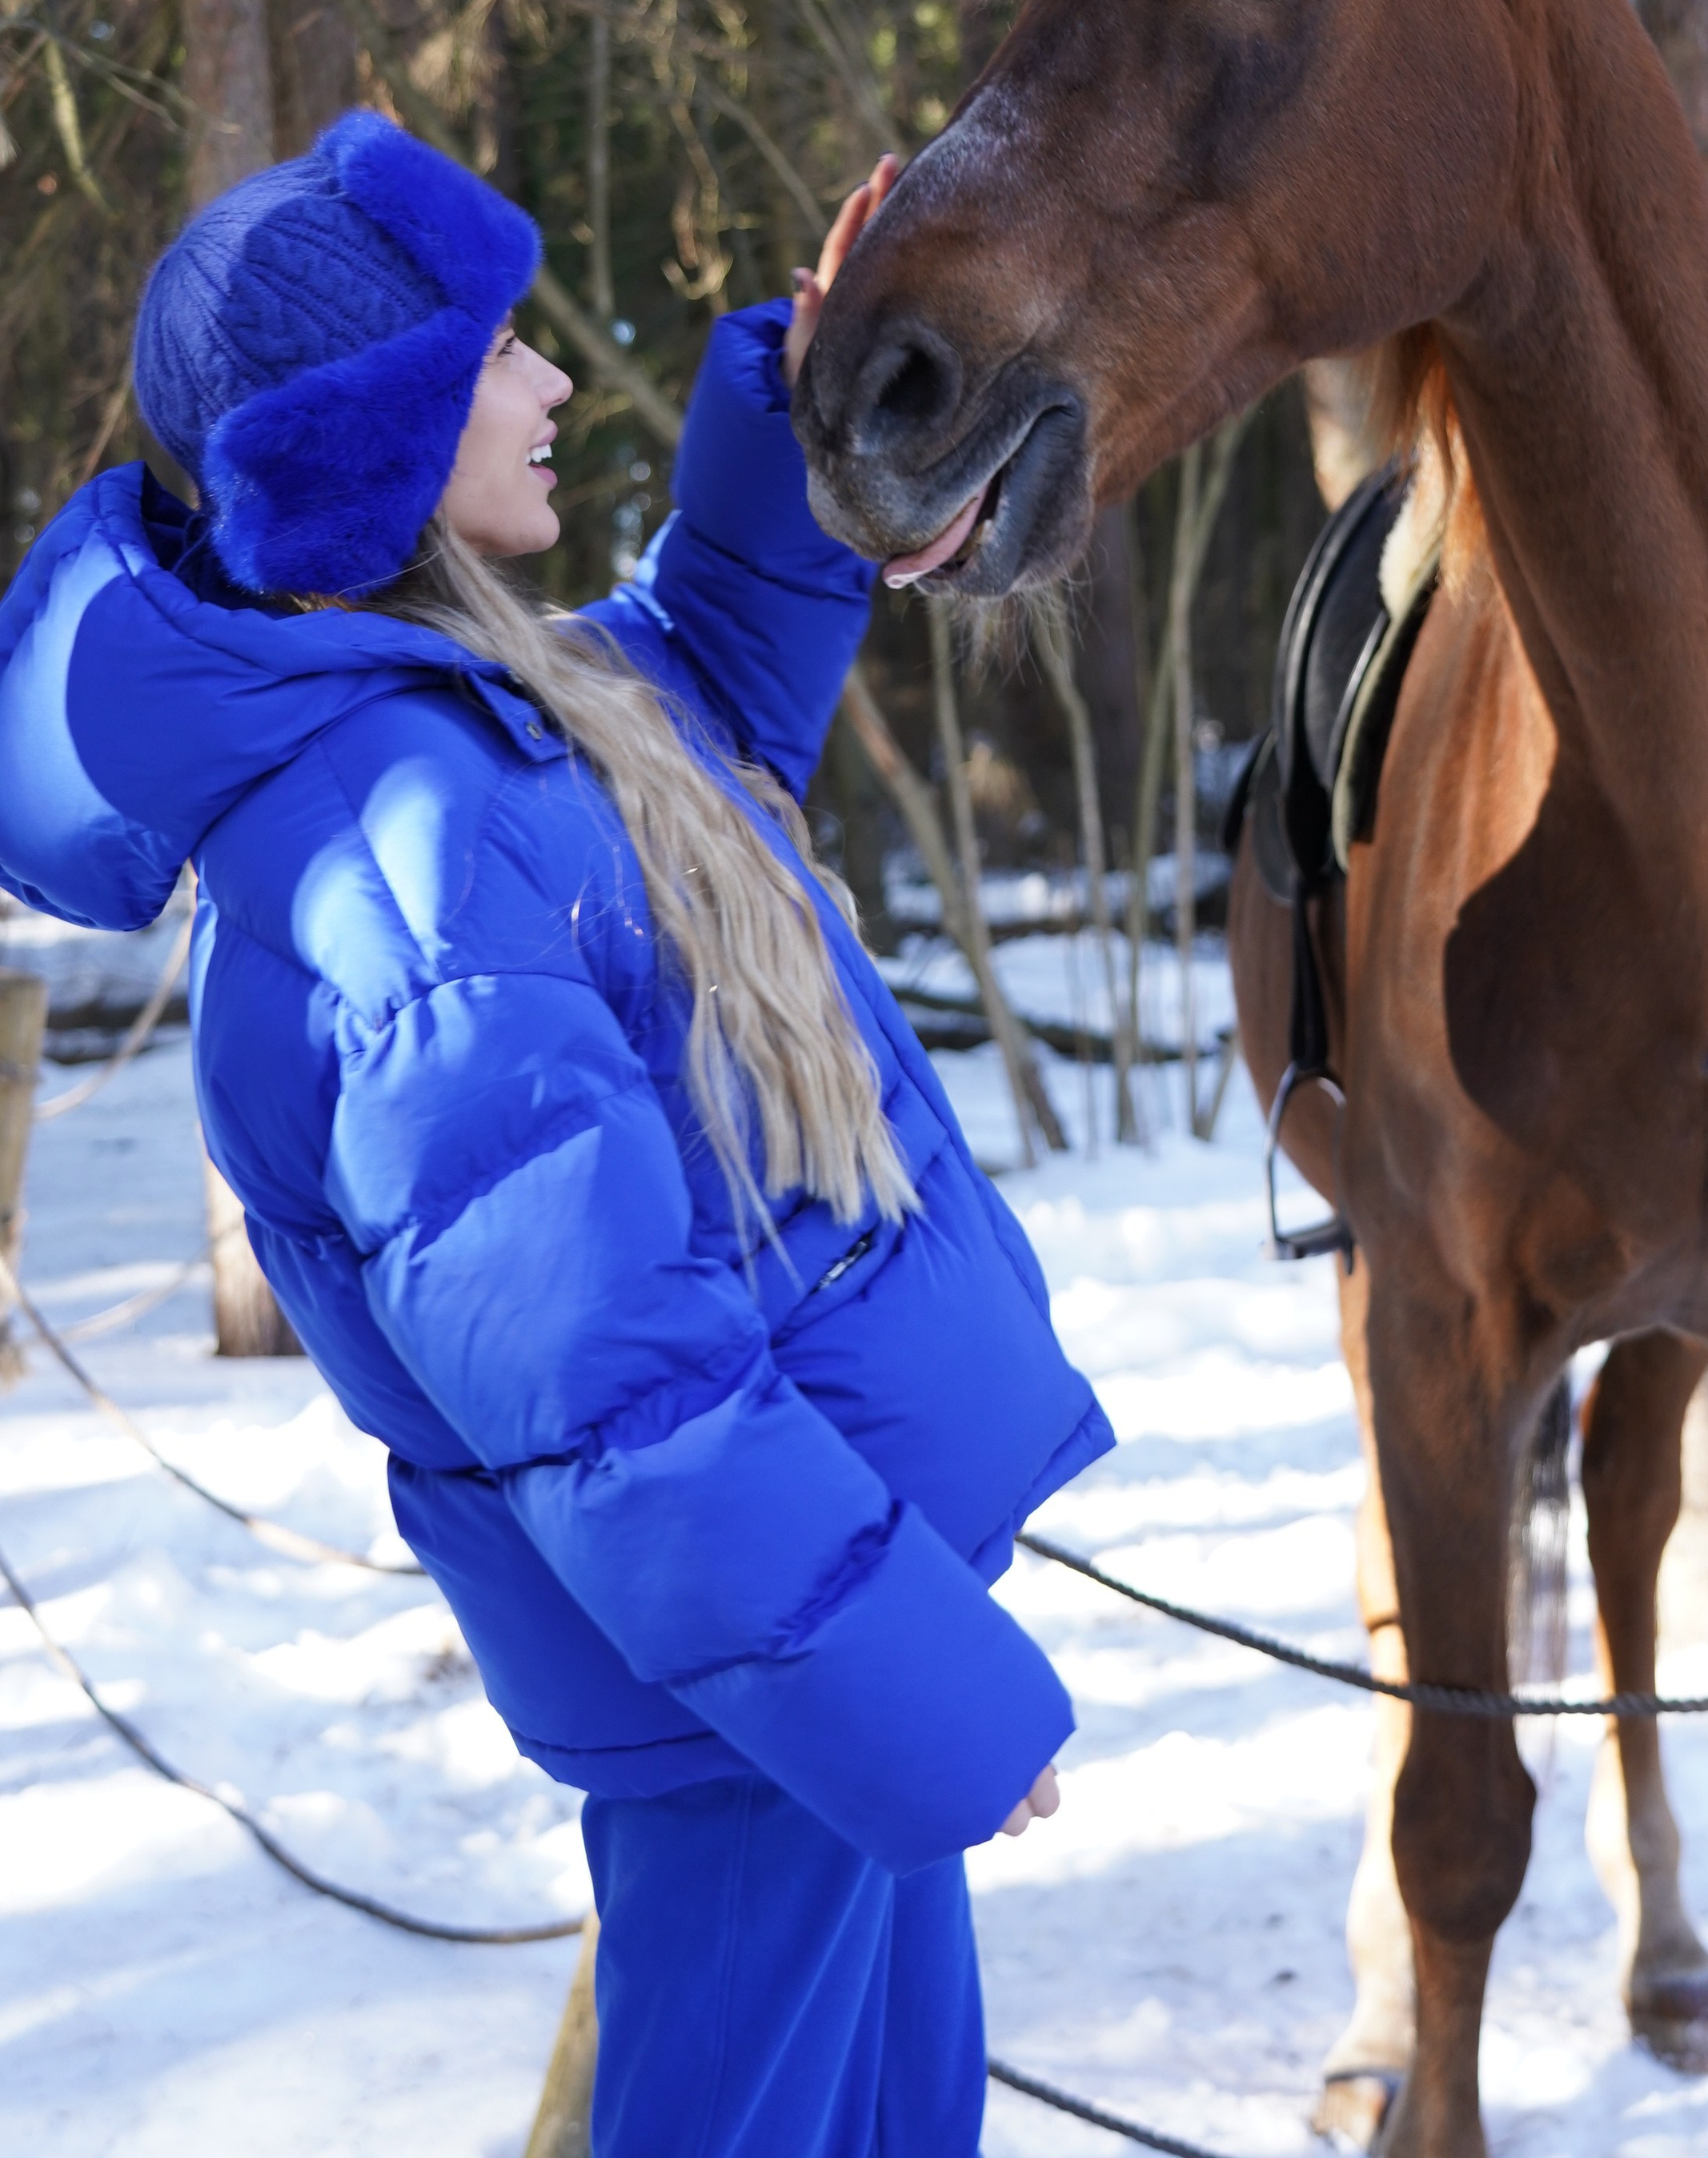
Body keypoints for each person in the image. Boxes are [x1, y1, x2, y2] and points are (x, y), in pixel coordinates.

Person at [0, 108, 1112, 2158]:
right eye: (496, 350)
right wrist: (910, 1704)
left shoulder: (512, 711)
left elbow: (713, 682)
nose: (551, 381)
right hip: (763, 1697)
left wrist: (801, 383)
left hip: (806, 1655)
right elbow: (617, 1391)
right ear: (375, 430)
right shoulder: (391, 866)